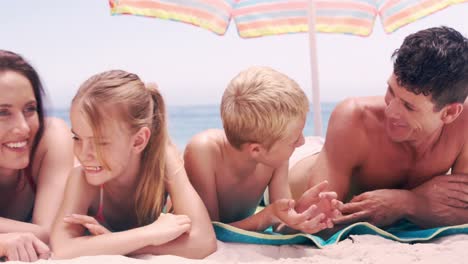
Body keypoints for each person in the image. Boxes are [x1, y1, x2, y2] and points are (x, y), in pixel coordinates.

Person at [289, 26, 468, 228]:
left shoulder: (464, 125)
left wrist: (407, 202)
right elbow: (320, 220)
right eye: (390, 91)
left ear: (450, 113)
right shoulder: (354, 117)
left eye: (409, 107)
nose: (390, 111)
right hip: (291, 168)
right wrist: (421, 201)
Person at [50, 70, 216, 259]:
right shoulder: (82, 179)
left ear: (138, 141)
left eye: (100, 142)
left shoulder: (164, 164)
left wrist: (112, 243)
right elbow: (63, 248)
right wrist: (149, 235)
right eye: (77, 138)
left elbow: (203, 242)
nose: (83, 154)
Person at [184, 66, 339, 234]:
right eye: (294, 140)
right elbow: (207, 231)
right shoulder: (203, 151)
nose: (302, 142)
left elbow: (280, 225)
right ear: (256, 150)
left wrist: (300, 214)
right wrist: (267, 216)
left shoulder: (275, 158)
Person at [0, 50, 75, 262]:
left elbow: (49, 234)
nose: (23, 128)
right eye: (2, 112)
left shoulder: (51, 137)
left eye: (30, 109)